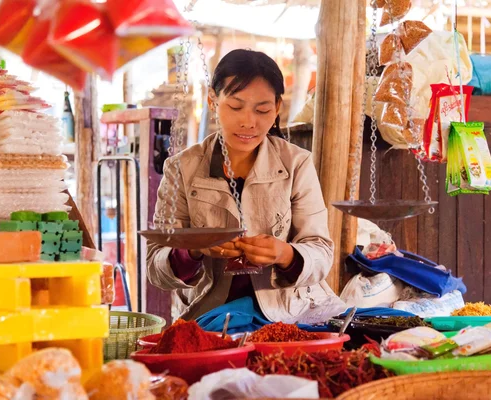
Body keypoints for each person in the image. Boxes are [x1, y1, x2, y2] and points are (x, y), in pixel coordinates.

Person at [147, 49, 346, 324]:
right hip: (213, 314)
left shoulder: (296, 164)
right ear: (213, 100)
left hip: (294, 312)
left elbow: (321, 252)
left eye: (262, 110)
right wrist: (195, 249)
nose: (248, 122)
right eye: (236, 107)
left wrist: (284, 253)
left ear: (277, 108)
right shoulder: (182, 167)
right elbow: (156, 267)